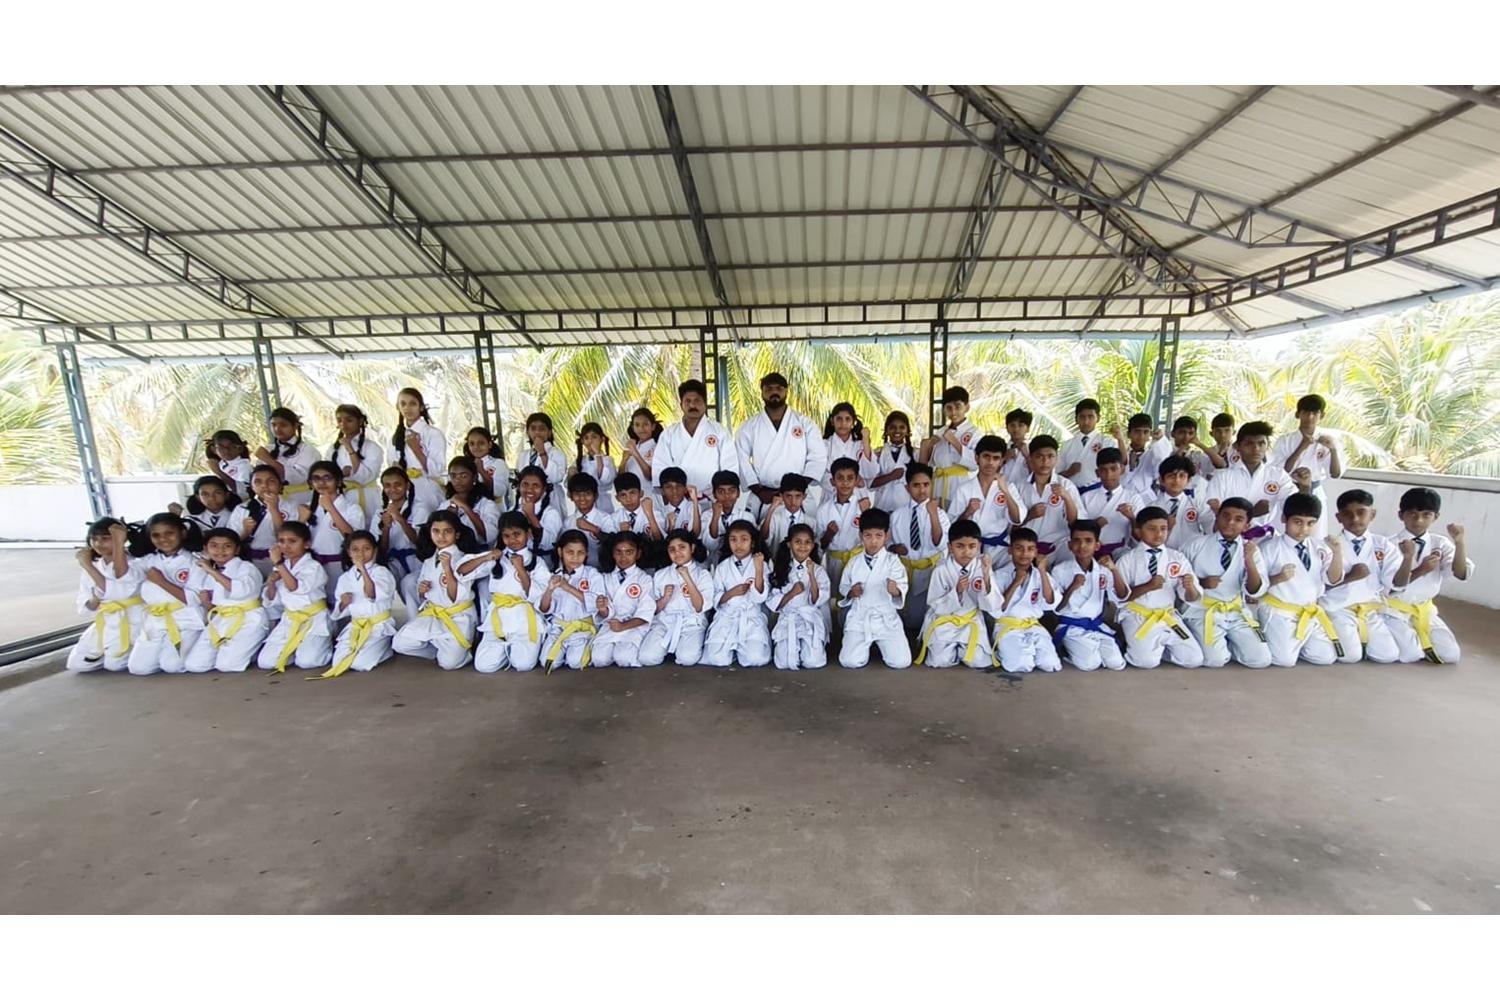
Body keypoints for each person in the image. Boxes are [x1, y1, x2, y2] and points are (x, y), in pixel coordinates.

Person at [1179, 498, 1272, 669]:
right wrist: (1201, 583)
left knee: (1261, 659)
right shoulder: (1195, 544)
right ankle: (1214, 645)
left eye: (1238, 519)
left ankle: (1229, 646)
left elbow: (1255, 590)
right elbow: (1178, 579)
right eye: (1226, 516)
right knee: (1215, 660)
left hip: (1236, 611)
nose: (1230, 522)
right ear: (1217, 517)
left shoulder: (1251, 549)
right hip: (1202, 610)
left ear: (1247, 525)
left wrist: (1249, 561)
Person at [1256, 492, 1346, 667]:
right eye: (1298, 522)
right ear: (1284, 519)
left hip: (1309, 612)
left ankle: (1295, 644)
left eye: (1310, 523)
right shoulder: (1269, 548)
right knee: (1284, 660)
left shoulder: (1321, 547)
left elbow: (1333, 580)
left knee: (1326, 657)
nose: (1304, 529)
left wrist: (1337, 553)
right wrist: (1278, 578)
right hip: (1279, 611)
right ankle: (1277, 640)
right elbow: (1255, 587)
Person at [1382, 487, 1471, 664]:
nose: (1419, 520)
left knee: (1450, 655)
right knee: (1410, 654)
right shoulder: (1389, 544)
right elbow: (1390, 587)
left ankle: (1413, 638)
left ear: (1435, 517)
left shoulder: (1440, 543)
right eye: (1412, 514)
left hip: (1424, 609)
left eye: (1426, 515)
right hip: (1392, 610)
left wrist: (1460, 543)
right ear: (1401, 515)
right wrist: (1421, 570)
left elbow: (1461, 573)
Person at [1109, 506, 1205, 668]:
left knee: (1194, 659)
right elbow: (1119, 597)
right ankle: (1134, 645)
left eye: (1163, 529)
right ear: (1138, 531)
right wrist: (1148, 587)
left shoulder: (1177, 558)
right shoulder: (1127, 560)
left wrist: (1190, 588)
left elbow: (1192, 597)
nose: (1159, 534)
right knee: (1146, 662)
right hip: (1138, 615)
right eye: (1152, 529)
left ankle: (1159, 649)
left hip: (1168, 616)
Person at [391, 510, 485, 670]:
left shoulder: (463, 560)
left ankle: (461, 652)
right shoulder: (429, 560)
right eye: (436, 531)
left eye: (447, 531)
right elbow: (424, 592)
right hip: (434, 615)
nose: (441, 536)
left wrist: (447, 569)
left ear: (457, 534)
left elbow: (454, 597)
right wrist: (422, 589)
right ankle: (438, 649)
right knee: (400, 643)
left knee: (449, 664)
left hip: (458, 618)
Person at [1319, 489, 1401, 663]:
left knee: (1388, 655)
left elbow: (1394, 582)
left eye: (1361, 512)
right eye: (1347, 514)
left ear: (1372, 514)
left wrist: (1409, 558)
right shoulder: (1327, 545)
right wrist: (1350, 576)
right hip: (1338, 608)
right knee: (1350, 656)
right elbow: (1319, 585)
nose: (1355, 518)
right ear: (1338, 517)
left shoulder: (1383, 545)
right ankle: (1324, 631)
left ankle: (1358, 640)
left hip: (1369, 609)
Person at [462, 512, 547, 674]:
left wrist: (521, 569)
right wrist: (486, 557)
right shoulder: (497, 558)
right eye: (506, 536)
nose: (512, 540)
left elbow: (538, 595)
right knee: (483, 665)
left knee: (523, 664)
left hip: (524, 619)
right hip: (498, 619)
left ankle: (515, 649)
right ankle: (506, 649)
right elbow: (462, 571)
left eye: (517, 534)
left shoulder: (537, 562)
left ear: (528, 533)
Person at [181, 529, 269, 674]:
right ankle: (235, 649)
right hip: (221, 619)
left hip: (248, 619)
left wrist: (212, 571)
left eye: (227, 546)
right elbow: (217, 603)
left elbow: (241, 591)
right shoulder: (210, 570)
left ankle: (253, 647)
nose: (220, 550)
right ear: (206, 549)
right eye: (214, 546)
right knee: (195, 665)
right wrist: (207, 604)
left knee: (227, 665)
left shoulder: (246, 567)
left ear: (237, 549)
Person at [128, 512, 205, 676]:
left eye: (169, 533)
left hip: (186, 621)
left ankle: (198, 642)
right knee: (138, 668)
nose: (163, 539)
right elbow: (125, 577)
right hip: (156, 621)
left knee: (172, 666)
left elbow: (193, 599)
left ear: (182, 533)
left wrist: (161, 582)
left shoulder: (195, 561)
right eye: (156, 535)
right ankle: (165, 648)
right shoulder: (147, 560)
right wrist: (118, 541)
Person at [735, 371, 828, 507]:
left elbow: (818, 456)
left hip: (798, 494)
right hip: (764, 495)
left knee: (807, 521)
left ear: (786, 391)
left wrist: (798, 487)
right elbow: (740, 459)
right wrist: (759, 491)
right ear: (762, 393)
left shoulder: (805, 423)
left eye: (779, 388)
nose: (774, 392)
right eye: (768, 389)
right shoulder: (749, 426)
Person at [836, 508, 912, 670]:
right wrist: (851, 592)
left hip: (885, 618)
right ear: (861, 536)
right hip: (860, 617)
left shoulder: (893, 561)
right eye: (868, 535)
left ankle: (880, 645)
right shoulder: (854, 562)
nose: (873, 541)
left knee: (901, 662)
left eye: (878, 535)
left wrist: (895, 591)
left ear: (886, 536)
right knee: (849, 661)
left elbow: (902, 587)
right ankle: (868, 646)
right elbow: (843, 587)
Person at [66, 518, 144, 674]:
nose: (98, 543)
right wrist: (94, 600)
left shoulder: (135, 562)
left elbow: (117, 590)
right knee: (77, 664)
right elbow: (87, 601)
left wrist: (87, 565)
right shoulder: (95, 565)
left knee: (115, 664)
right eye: (94, 538)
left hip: (133, 618)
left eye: (105, 538)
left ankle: (133, 653)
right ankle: (109, 654)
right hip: (107, 618)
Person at [914, 519, 994, 669]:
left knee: (978, 662)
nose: (966, 552)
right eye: (960, 546)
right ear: (950, 547)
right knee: (939, 661)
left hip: (970, 620)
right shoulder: (941, 570)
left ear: (979, 546)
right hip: (945, 620)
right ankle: (954, 650)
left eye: (972, 546)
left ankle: (961, 650)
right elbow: (935, 604)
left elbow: (991, 605)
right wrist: (956, 593)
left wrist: (986, 577)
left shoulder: (982, 568)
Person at [1196, 421, 1296, 541]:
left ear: (1268, 445)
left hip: (1265, 539)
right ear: (1238, 446)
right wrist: (1252, 513)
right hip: (1226, 538)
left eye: (1261, 443)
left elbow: (1294, 505)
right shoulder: (1222, 477)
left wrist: (1305, 486)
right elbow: (1208, 516)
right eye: (1249, 443)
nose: (1256, 448)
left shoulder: (1279, 476)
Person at [1049, 520, 1125, 672]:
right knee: (1090, 664)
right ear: (1070, 545)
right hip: (1072, 626)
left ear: (1097, 545)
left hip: (1096, 625)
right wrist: (1072, 587)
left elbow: (1121, 595)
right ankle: (1066, 650)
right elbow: (1057, 608)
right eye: (1076, 541)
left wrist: (1114, 570)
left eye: (1088, 541)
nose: (1082, 545)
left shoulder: (1103, 570)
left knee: (1116, 663)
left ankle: (1089, 646)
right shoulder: (1060, 570)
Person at [256, 522, 332, 673]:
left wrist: (279, 563)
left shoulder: (313, 566)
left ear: (306, 544)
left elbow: (296, 588)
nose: (286, 546)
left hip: (314, 619)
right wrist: (271, 583)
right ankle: (295, 650)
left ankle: (325, 645)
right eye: (281, 541)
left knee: (307, 662)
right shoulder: (282, 566)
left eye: (292, 541)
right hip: (290, 619)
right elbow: (273, 600)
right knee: (266, 662)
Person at [654, 380, 742, 504]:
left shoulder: (719, 431)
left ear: (704, 404)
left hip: (711, 499)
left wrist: (723, 495)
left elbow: (730, 465)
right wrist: (668, 497)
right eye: (688, 401)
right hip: (678, 499)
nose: (692, 405)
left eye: (697, 400)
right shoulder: (668, 434)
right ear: (681, 404)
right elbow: (660, 465)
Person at [324, 531, 397, 677]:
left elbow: (372, 595)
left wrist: (363, 569)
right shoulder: (345, 577)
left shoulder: (382, 572)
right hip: (356, 625)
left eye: (366, 548)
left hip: (378, 626)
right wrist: (343, 603)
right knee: (338, 662)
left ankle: (385, 648)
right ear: (348, 552)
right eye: (355, 549)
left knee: (361, 664)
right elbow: (339, 610)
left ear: (374, 551)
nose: (361, 553)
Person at [888, 462, 950, 633]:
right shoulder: (897, 515)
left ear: (931, 485)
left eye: (926, 485)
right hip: (905, 570)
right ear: (907, 488)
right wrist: (894, 548)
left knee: (922, 617)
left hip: (930, 570)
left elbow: (940, 543)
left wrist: (933, 514)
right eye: (916, 485)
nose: (922, 490)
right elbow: (887, 543)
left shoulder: (941, 514)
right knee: (903, 616)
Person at [1269, 394, 1342, 538]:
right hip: (1289, 491)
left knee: (1315, 536)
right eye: (1306, 412)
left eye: (1315, 413)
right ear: (1298, 414)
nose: (1310, 417)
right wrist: (1302, 446)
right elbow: (1280, 471)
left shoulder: (1328, 441)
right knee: (1282, 533)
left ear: (1322, 415)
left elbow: (1335, 474)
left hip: (1315, 493)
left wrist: (1333, 450)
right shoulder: (1285, 440)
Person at [638, 529, 714, 667]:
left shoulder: (702, 574)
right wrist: (664, 599)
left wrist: (687, 578)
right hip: (665, 622)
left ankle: (680, 647)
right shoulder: (661, 575)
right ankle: (668, 647)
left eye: (682, 547)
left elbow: (699, 607)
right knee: (647, 658)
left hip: (691, 624)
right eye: (672, 549)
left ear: (692, 548)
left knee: (687, 658)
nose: (677, 553)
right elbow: (652, 609)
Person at [702, 520, 772, 667]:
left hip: (750, 617)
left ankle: (741, 649)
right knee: (717, 659)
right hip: (727, 616)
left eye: (744, 539)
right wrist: (730, 594)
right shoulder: (722, 566)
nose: (738, 544)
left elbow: (760, 597)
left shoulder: (762, 564)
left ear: (752, 543)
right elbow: (714, 597)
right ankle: (732, 650)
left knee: (755, 659)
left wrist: (758, 569)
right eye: (733, 539)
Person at [991, 527, 1060, 674]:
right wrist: (1016, 582)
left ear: (1035, 552)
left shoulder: (1039, 575)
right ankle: (1003, 652)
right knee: (1022, 665)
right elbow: (997, 609)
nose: (1024, 554)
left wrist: (1042, 571)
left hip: (1033, 626)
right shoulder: (999, 575)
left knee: (1050, 664)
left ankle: (1027, 649)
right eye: (1019, 548)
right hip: (1008, 627)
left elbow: (1050, 602)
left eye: (1030, 549)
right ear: (1010, 550)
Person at [946, 434, 1022, 569]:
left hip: (1001, 549)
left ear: (1001, 461)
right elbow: (952, 526)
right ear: (977, 458)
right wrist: (967, 512)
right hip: (970, 549)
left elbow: (1017, 519)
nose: (990, 462)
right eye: (986, 456)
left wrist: (1005, 492)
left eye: (996, 458)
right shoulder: (965, 489)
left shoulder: (1009, 487)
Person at [538, 530, 606, 672]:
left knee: (575, 662)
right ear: (560, 552)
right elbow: (544, 608)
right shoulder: (553, 576)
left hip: (582, 629)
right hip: (559, 628)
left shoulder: (593, 575)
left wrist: (567, 587)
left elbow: (596, 603)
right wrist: (549, 590)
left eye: (580, 553)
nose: (575, 557)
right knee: (547, 662)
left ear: (586, 553)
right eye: (570, 552)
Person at [767, 524, 831, 671]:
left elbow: (817, 600)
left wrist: (811, 575)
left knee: (813, 662)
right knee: (784, 663)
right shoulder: (781, 569)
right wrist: (792, 593)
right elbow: (773, 602)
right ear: (789, 544)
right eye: (798, 542)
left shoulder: (819, 570)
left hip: (809, 618)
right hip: (789, 617)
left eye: (807, 542)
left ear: (813, 545)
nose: (803, 546)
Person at [302, 460, 366, 602]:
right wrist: (301, 520)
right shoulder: (306, 508)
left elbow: (353, 538)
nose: (321, 483)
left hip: (341, 564)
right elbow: (295, 539)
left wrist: (331, 508)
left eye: (328, 478)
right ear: (310, 483)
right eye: (316, 479)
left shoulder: (352, 508)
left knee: (343, 603)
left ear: (339, 481)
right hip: (313, 566)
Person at [590, 532, 656, 668]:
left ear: (638, 554)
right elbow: (603, 612)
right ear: (612, 553)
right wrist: (602, 609)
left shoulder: (644, 579)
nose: (623, 557)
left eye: (629, 552)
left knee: (624, 658)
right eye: (618, 552)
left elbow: (646, 612)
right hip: (611, 624)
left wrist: (623, 626)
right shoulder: (605, 577)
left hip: (633, 625)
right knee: (599, 659)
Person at [1011, 434, 1081, 557]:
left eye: (1050, 456)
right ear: (1030, 458)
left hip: (1058, 546)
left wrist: (1066, 497)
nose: (1045, 461)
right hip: (1026, 549)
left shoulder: (1066, 485)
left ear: (1056, 458)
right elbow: (1012, 527)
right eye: (1039, 456)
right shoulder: (1018, 487)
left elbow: (1075, 522)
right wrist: (1029, 516)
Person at [1078, 447, 1152, 560]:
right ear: (1097, 473)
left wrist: (1132, 518)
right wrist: (1094, 525)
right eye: (1103, 470)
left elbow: (1142, 534)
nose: (1109, 474)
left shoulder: (1133, 498)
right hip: (1090, 553)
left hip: (1121, 554)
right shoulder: (1086, 497)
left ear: (1122, 469)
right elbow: (1078, 529)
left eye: (1113, 469)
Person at [227, 464, 300, 577]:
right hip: (249, 560)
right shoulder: (242, 508)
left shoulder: (292, 506)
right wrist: (245, 532)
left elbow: (287, 538)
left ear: (280, 485)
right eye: (258, 482)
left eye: (271, 481)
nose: (264, 485)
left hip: (281, 559)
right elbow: (229, 541)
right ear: (252, 486)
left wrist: (274, 509)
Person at [919, 386, 979, 506]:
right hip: (938, 484)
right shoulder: (941, 431)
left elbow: (976, 463)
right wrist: (927, 446)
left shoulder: (974, 432)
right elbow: (929, 462)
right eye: (949, 408)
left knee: (956, 515)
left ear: (967, 407)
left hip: (959, 484)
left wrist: (954, 441)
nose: (953, 412)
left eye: (958, 407)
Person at [390, 387, 448, 511]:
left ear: (421, 407)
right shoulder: (396, 436)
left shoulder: (433, 434)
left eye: (413, 404)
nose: (407, 408)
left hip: (428, 490)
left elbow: (437, 470)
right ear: (398, 407)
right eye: (403, 404)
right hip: (403, 490)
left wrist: (416, 449)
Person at [328, 404, 386, 522]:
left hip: (369, 497)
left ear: (360, 421)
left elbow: (365, 477)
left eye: (349, 420)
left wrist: (350, 449)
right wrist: (339, 475)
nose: (343, 424)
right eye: (339, 420)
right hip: (343, 497)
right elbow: (327, 473)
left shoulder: (373, 447)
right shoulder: (333, 449)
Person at [377, 465, 431, 590]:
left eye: (398, 484)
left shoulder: (420, 508)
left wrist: (400, 519)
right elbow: (382, 549)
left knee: (410, 586)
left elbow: (419, 541)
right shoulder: (379, 513)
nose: (393, 489)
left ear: (407, 485)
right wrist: (386, 527)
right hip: (393, 563)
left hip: (416, 560)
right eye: (387, 485)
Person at [254, 407, 321, 504]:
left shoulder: (309, 451)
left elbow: (298, 478)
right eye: (273, 425)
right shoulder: (268, 449)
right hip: (270, 500)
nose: (277, 429)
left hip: (301, 501)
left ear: (295, 425)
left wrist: (269, 460)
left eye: (283, 425)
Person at [440, 455, 499, 548]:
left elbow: (489, 536)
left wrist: (466, 507)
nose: (457, 480)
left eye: (463, 476)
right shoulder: (445, 505)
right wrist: (449, 516)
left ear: (474, 477)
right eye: (453, 476)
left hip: (480, 552)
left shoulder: (487, 505)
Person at [821, 402, 879, 494]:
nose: (843, 423)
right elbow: (821, 474)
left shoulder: (860, 445)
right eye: (839, 419)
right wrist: (839, 483)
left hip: (858, 497)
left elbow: (870, 472)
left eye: (847, 419)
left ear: (853, 422)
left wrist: (865, 441)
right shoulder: (824, 445)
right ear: (832, 421)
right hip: (831, 496)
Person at [510, 465, 562, 563]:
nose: (529, 489)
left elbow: (549, 544)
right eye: (525, 484)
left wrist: (531, 516)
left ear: (544, 489)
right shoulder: (512, 510)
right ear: (519, 486)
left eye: (536, 485)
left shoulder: (551, 513)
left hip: (542, 565)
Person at [521, 412, 570, 514]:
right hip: (528, 500)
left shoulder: (558, 454)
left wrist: (542, 452)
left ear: (549, 432)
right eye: (533, 428)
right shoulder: (523, 455)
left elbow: (556, 477)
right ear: (528, 432)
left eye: (542, 429)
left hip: (552, 500)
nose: (537, 432)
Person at [1154, 454, 1205, 550]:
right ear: (1161, 480)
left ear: (1189, 480)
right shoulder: (1152, 507)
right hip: (1164, 554)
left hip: (1192, 553)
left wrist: (1216, 512)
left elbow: (1211, 527)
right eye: (1171, 476)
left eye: (1182, 476)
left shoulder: (1198, 504)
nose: (1177, 480)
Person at [1114, 412, 1171, 495]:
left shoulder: (1153, 454)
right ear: (1128, 434)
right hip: (1120, 495)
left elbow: (1162, 460)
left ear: (1150, 435)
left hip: (1145, 498)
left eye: (1146, 432)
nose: (1141, 435)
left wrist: (1160, 438)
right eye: (1137, 431)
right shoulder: (1118, 452)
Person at [870, 411, 917, 511]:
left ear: (907, 431)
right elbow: (870, 483)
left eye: (902, 427)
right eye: (892, 427)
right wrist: (891, 476)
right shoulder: (877, 454)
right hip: (882, 506)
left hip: (906, 506)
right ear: (886, 431)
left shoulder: (915, 454)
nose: (897, 430)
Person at [702, 469, 753, 561]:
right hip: (715, 562)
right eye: (721, 492)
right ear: (714, 494)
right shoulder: (706, 515)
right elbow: (710, 546)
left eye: (731, 491)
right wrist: (715, 517)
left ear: (738, 493)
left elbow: (752, 546)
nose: (727, 496)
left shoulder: (747, 517)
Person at [562, 472, 607, 568]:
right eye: (577, 494)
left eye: (587, 494)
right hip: (575, 570)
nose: (582, 498)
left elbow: (613, 543)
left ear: (596, 496)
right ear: (571, 497)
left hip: (601, 569)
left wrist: (594, 529)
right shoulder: (568, 522)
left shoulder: (605, 518)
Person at [649, 466, 701, 547]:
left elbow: (695, 534)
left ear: (685, 489)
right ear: (662, 491)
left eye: (679, 486)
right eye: (668, 487)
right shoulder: (660, 512)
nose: (674, 490)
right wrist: (671, 527)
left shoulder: (693, 507)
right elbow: (661, 542)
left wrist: (695, 501)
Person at [760, 473, 813, 552]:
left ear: (804, 496)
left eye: (797, 496)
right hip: (777, 559)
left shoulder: (811, 522)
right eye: (788, 496)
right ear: (781, 496)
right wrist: (771, 509)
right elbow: (762, 539)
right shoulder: (774, 519)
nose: (793, 501)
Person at [1058, 397, 1104, 488]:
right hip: (1071, 491)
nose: (1086, 421)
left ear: (1098, 418)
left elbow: (1117, 469)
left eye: (1090, 417)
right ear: (1076, 419)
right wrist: (1069, 472)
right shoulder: (1066, 445)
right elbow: (1056, 475)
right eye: (1082, 417)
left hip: (1097, 491)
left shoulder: (1107, 442)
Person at [464, 426, 512, 509]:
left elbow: (500, 491)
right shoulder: (465, 464)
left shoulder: (498, 463)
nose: (476, 447)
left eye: (481, 443)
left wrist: (481, 470)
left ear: (489, 444)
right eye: (472, 444)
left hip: (493, 508)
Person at [575, 422, 618, 514]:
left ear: (602, 439)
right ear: (582, 441)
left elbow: (606, 480)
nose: (590, 441)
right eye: (586, 438)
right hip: (583, 505)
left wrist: (597, 454)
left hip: (603, 505)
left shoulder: (608, 460)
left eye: (594, 437)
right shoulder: (580, 461)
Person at [621, 407, 663, 497]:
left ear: (653, 426)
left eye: (645, 424)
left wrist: (635, 453)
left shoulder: (658, 448)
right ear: (633, 428)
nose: (641, 428)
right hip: (632, 499)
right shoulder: (632, 448)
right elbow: (621, 477)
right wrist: (623, 460)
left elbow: (650, 476)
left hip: (650, 496)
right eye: (637, 425)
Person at [1168, 416, 1220, 481]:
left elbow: (1221, 465)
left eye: (1191, 433)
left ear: (1195, 436)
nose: (1186, 437)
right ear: (1172, 434)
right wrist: (1181, 450)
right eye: (1182, 432)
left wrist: (1200, 444)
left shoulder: (1196, 455)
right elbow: (1169, 469)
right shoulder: (1166, 450)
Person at [206, 429, 253, 498]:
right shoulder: (221, 464)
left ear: (240, 448)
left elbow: (244, 492)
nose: (226, 450)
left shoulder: (244, 466)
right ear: (214, 450)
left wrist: (218, 471)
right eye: (221, 447)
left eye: (231, 446)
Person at [1000, 408, 1033, 483]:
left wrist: (1027, 456)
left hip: (1025, 488)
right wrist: (1003, 460)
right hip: (1002, 488)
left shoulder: (1034, 449)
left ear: (1028, 429)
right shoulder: (1000, 448)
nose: (1016, 429)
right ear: (1007, 428)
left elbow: (1039, 475)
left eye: (1021, 425)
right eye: (1012, 425)